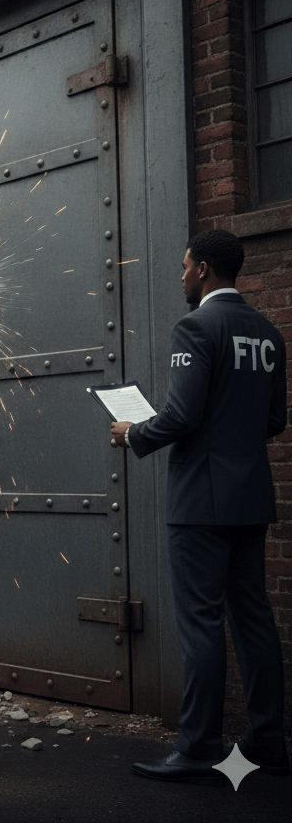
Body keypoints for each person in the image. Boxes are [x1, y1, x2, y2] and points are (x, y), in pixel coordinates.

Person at [111, 229, 288, 783]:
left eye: (186, 266)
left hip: (200, 504)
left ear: (205, 269)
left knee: (203, 625)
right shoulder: (267, 334)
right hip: (251, 496)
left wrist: (133, 433)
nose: (182, 275)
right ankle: (268, 743)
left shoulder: (195, 326)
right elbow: (274, 422)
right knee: (254, 619)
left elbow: (182, 415)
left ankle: (198, 747)